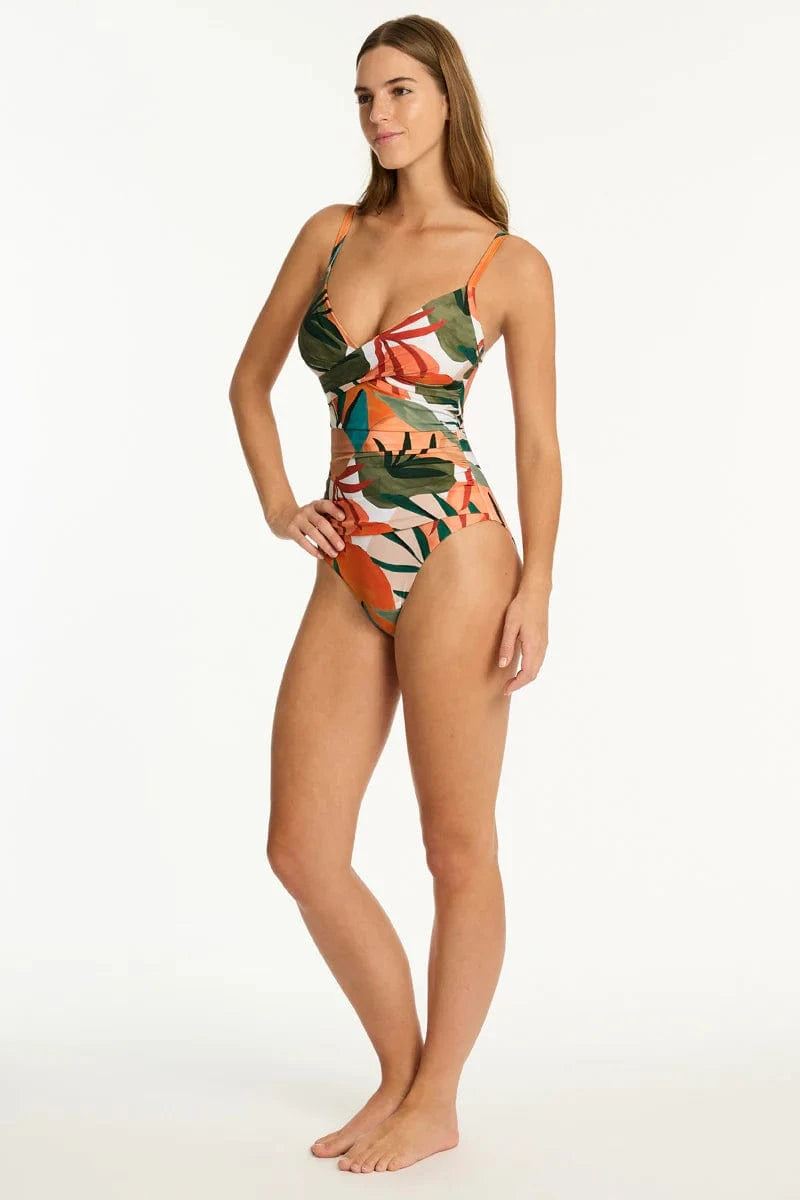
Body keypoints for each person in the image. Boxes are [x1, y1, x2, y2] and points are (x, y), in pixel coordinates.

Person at [228, 14, 560, 1175]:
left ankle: (438, 1098)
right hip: (347, 554)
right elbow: (249, 382)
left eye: (399, 91)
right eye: (364, 95)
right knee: (300, 848)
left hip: (457, 550)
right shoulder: (331, 234)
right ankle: (400, 1074)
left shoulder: (505, 264)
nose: (377, 114)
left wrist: (537, 589)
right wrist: (281, 506)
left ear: (446, 99)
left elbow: (539, 447)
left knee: (454, 846)